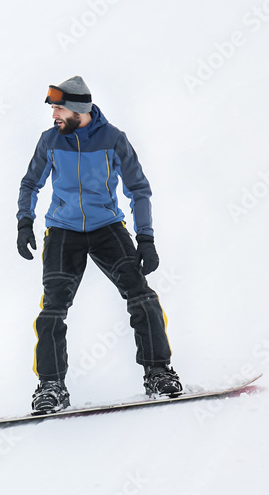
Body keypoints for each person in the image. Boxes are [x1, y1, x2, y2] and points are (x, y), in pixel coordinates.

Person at [16, 76, 181, 414]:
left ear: (79, 109)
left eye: (59, 108)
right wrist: (24, 221)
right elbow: (30, 182)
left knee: (142, 297)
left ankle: (159, 374)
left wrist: (145, 237)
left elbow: (138, 189)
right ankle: (51, 387)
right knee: (52, 311)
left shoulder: (113, 140)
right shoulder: (50, 141)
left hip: (107, 229)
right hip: (63, 232)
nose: (54, 116)